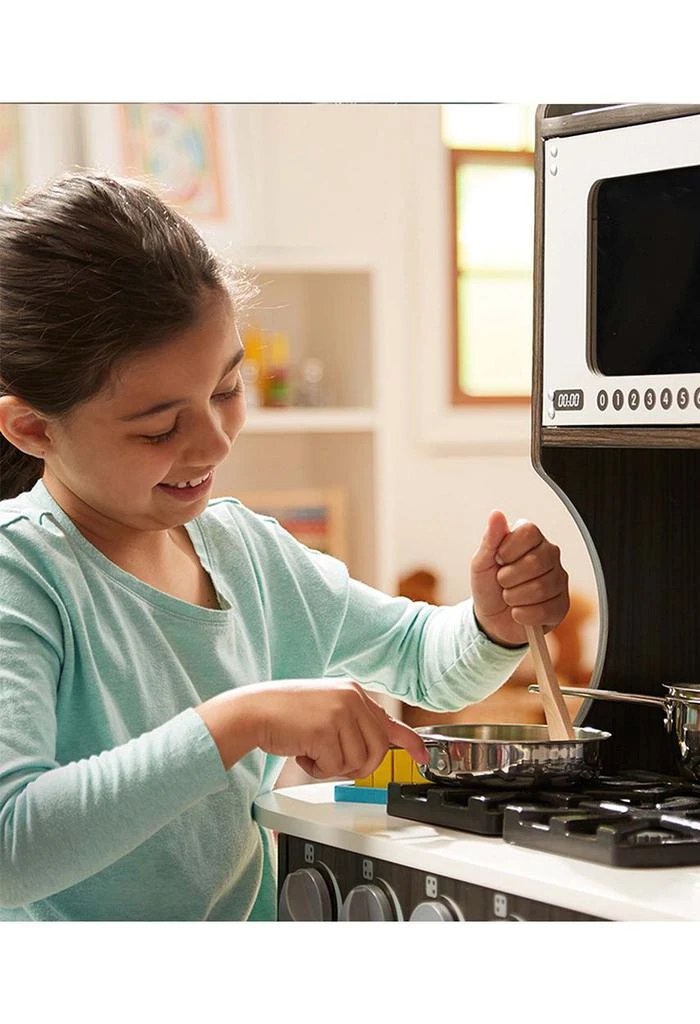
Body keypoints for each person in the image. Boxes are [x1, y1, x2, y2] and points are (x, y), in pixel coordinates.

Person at [0, 171, 570, 921]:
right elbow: (12, 852)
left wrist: (491, 621)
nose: (213, 440)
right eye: (159, 428)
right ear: (35, 429)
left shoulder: (245, 553)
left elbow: (423, 660)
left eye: (228, 389)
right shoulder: (23, 577)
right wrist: (241, 721)